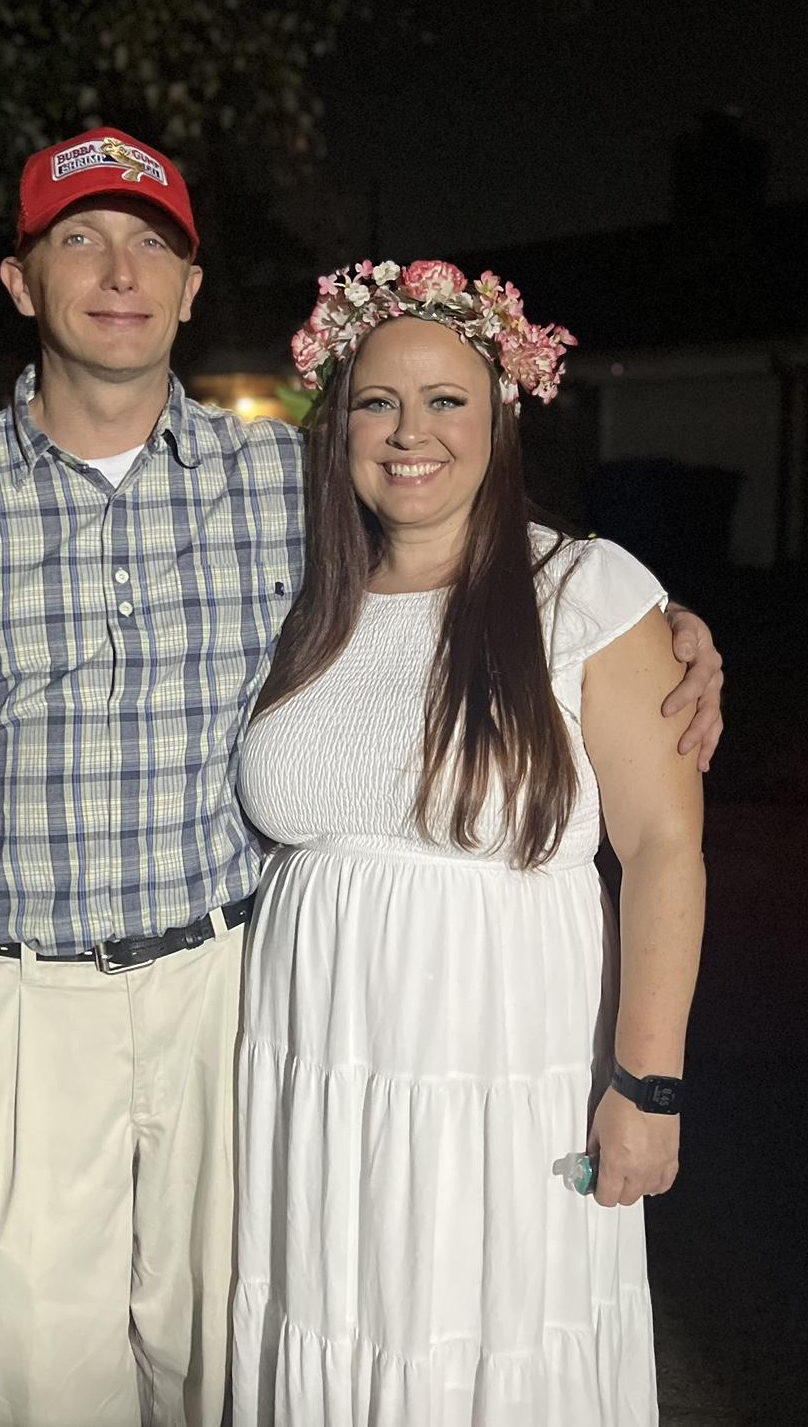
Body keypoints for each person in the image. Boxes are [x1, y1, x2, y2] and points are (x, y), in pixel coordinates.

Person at [0, 126, 723, 1427]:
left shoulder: (277, 488)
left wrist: (673, 631)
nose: (118, 271)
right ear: (21, 282)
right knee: (29, 1370)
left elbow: (493, 559)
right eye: (79, 240)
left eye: (153, 246)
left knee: (227, 1363)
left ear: (188, 288)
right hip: (27, 1004)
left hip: (232, 1000)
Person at [230, 260, 707, 1426]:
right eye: (377, 402)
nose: (410, 433)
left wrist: (647, 1085)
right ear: (336, 425)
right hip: (316, 1073)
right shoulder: (303, 605)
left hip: (501, 1070)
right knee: (338, 1327)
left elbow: (662, 850)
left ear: (500, 416)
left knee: (482, 1340)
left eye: (447, 400)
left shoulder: (586, 591)